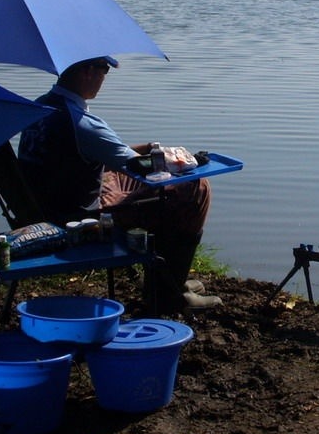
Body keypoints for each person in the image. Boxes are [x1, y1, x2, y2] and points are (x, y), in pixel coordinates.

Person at [16, 56, 218, 314]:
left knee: (122, 174)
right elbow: (140, 166)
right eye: (104, 72)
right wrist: (189, 161)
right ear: (88, 72)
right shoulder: (81, 123)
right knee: (195, 188)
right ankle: (168, 294)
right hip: (80, 221)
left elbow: (92, 155)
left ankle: (167, 276)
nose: (104, 80)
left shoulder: (42, 107)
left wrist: (141, 149)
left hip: (44, 205)